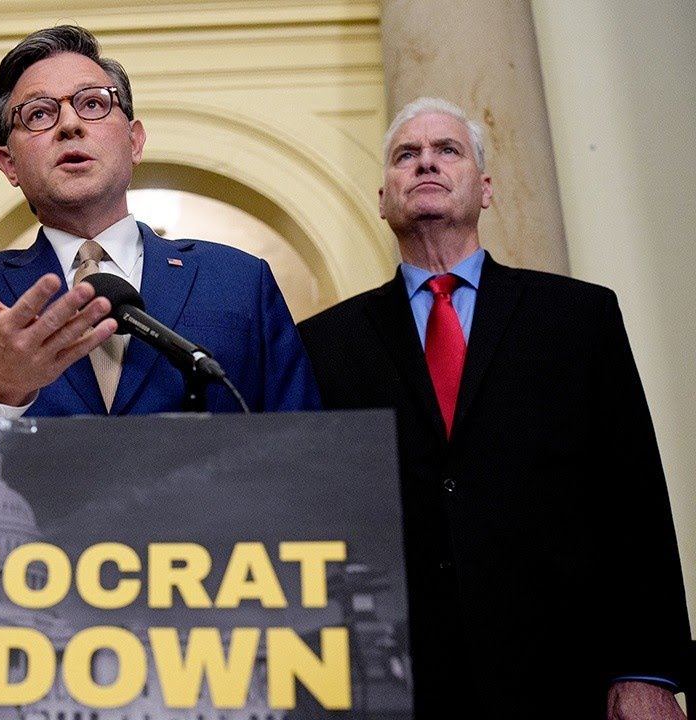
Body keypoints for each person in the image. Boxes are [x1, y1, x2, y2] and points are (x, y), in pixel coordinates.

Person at [296, 97, 691, 719]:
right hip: (396, 681)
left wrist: (647, 669)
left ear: (485, 190)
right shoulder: (324, 343)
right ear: (382, 197)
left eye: (447, 150)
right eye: (407, 155)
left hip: (564, 671)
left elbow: (633, 492)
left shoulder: (577, 318)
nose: (426, 162)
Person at [0, 25, 319, 419]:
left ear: (134, 141)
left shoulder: (240, 280)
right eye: (39, 114)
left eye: (93, 103)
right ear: (10, 165)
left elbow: (306, 448)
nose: (70, 124)